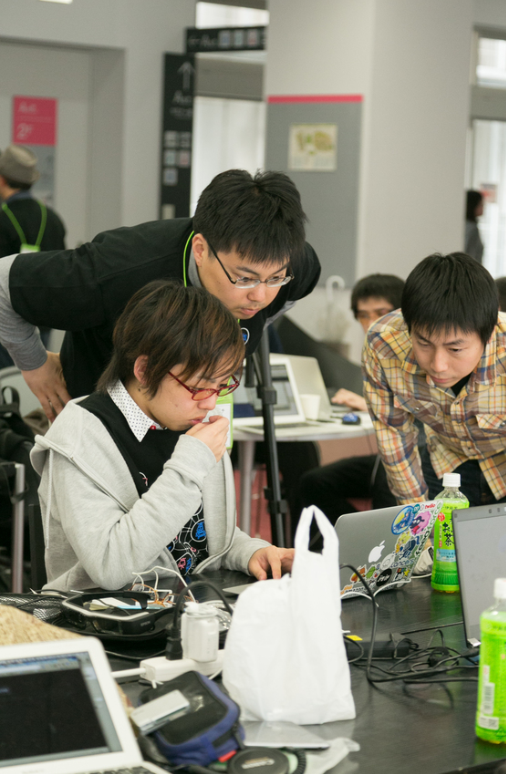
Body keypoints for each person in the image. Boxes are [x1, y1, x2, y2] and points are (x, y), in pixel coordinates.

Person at [32, 281, 294, 593]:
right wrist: (190, 464)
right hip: (107, 623)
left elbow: (203, 534)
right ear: (144, 369)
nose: (211, 402)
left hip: (191, 608)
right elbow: (110, 567)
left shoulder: (188, 417)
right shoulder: (81, 436)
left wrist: (249, 550)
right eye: (199, 386)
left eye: (222, 385)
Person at [0, 168, 320, 421]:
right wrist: (35, 367)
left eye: (275, 278)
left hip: (196, 429)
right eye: (245, 278)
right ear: (200, 250)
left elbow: (293, 288)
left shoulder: (288, 260)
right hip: (102, 432)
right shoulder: (120, 268)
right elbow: (2, 283)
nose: (261, 296)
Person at [363, 252, 506, 507]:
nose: (438, 365)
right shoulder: (383, 344)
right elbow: (394, 440)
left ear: (488, 334)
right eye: (423, 343)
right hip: (448, 465)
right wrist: (417, 520)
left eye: (455, 349)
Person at [292, 274, 404, 528]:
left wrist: (367, 404)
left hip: (422, 459)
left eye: (380, 312)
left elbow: (421, 410)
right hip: (386, 459)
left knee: (386, 481)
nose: (370, 322)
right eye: (363, 315)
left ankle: (373, 547)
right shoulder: (375, 354)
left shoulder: (421, 352)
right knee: (314, 481)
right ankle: (341, 543)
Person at [0, 144, 66, 365]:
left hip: (6, 325)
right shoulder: (52, 219)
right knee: (35, 382)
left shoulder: (3, 218)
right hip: (42, 321)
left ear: (2, 179)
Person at [464, 189, 484, 263]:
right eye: (481, 204)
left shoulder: (467, 225)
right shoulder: (471, 228)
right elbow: (469, 255)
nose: (483, 208)